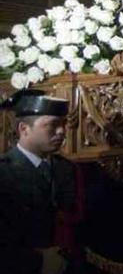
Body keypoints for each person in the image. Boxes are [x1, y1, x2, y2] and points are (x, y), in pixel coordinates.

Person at [0, 89, 83, 274]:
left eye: (63, 124)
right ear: (24, 129)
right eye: (52, 125)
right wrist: (38, 260)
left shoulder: (67, 169)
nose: (61, 131)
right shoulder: (4, 172)